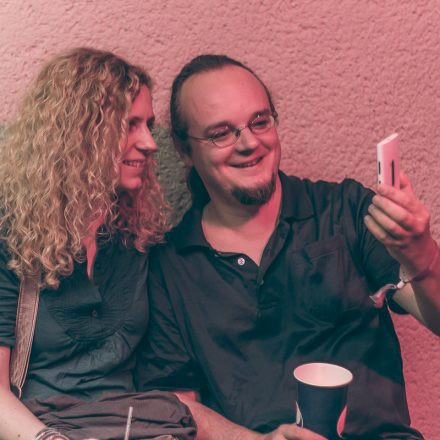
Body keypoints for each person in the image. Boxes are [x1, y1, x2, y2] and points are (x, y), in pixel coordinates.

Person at [136, 54, 440, 439]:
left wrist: (422, 255)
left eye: (259, 121)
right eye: (221, 133)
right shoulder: (169, 264)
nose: (249, 143)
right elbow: (175, 405)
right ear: (185, 150)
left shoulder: (346, 211)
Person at [0, 48, 196, 440]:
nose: (149, 143)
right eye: (129, 125)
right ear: (78, 133)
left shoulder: (135, 236)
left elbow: (171, 387)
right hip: (41, 428)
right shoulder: (13, 238)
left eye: (148, 125)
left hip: (135, 426)